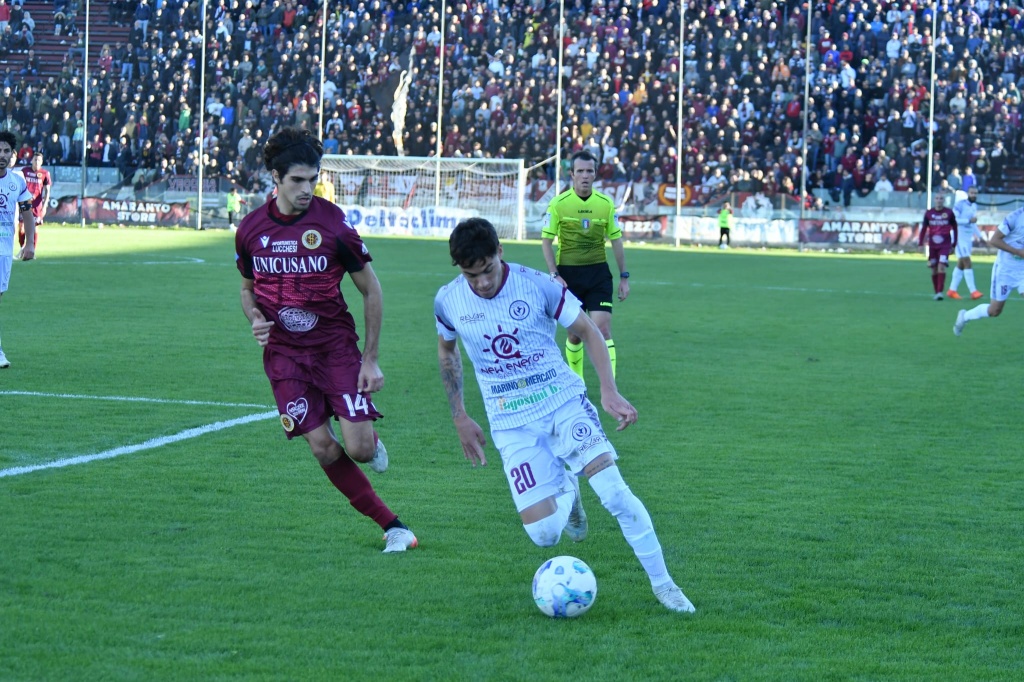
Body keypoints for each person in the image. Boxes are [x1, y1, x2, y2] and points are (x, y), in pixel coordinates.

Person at [435, 217, 696, 614]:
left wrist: (608, 390)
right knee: (544, 535)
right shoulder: (448, 300)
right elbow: (447, 351)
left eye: (487, 270)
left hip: (562, 403)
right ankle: (569, 492)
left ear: (500, 253)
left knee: (615, 494)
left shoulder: (538, 285)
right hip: (510, 424)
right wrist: (459, 416)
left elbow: (589, 330)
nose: (482, 283)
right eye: (472, 275)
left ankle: (665, 586)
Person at [234, 127, 417, 553]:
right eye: (297, 180)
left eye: (312, 179)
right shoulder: (251, 230)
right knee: (321, 447)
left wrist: (370, 358)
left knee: (359, 449)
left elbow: (371, 290)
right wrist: (255, 317)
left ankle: (370, 441)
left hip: (334, 349)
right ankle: (394, 527)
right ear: (276, 178)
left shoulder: (333, 225)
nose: (306, 188)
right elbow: (246, 290)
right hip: (284, 356)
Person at [541, 150, 629, 379]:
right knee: (575, 335)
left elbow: (616, 240)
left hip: (598, 274)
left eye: (589, 171)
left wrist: (624, 277)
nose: (585, 176)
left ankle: (610, 386)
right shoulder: (558, 204)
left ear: (595, 174)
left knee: (603, 330)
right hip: (568, 276)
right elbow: (546, 241)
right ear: (572, 174)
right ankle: (577, 382)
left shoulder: (606, 204)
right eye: (580, 171)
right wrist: (554, 274)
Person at [954, 206, 1024, 336]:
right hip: (1005, 270)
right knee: (994, 310)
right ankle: (965, 316)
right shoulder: (1015, 217)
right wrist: (1018, 252)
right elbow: (994, 240)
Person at [0, 129, 35, 368]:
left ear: (12, 154)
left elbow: (27, 213)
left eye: (6, 151)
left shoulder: (17, 182)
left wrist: (29, 243)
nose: (1, 155)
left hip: (4, 250)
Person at [947, 186, 985, 300]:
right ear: (968, 193)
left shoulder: (974, 206)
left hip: (967, 239)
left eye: (975, 193)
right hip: (959, 237)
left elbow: (973, 224)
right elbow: (954, 220)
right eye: (972, 193)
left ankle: (952, 290)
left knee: (961, 264)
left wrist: (980, 237)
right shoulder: (959, 205)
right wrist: (968, 220)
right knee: (967, 262)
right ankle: (973, 291)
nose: (974, 195)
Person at [918, 193, 957, 300]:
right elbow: (924, 229)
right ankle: (937, 292)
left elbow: (955, 228)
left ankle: (940, 292)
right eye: (937, 198)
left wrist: (954, 244)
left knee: (941, 266)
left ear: (944, 200)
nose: (939, 200)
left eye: (941, 198)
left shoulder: (949, 213)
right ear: (934, 200)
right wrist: (920, 243)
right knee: (933, 269)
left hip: (945, 245)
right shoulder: (929, 213)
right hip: (932, 246)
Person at [17, 150, 49, 252]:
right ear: (32, 160)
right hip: (24, 203)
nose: (36, 162)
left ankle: (32, 250)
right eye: (35, 159)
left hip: (36, 205)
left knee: (34, 227)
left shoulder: (45, 173)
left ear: (42, 162)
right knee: (21, 227)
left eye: (39, 160)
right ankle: (22, 248)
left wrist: (45, 206)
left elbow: (47, 191)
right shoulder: (24, 171)